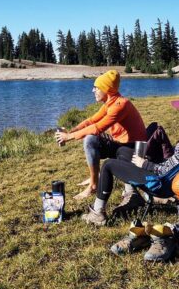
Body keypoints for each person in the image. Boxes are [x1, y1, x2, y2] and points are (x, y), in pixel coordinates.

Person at [81, 91, 179, 226]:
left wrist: (144, 164)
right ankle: (132, 196)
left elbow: (165, 170)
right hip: (169, 177)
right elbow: (177, 163)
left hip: (160, 184)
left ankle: (97, 214)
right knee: (122, 151)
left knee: (108, 165)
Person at [55, 69, 147, 200]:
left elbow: (97, 128)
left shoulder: (120, 105)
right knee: (91, 139)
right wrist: (71, 132)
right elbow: (91, 121)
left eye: (96, 88)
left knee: (90, 140)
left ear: (107, 89)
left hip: (130, 149)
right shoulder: (110, 103)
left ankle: (93, 185)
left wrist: (68, 137)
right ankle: (94, 177)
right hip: (120, 143)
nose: (93, 91)